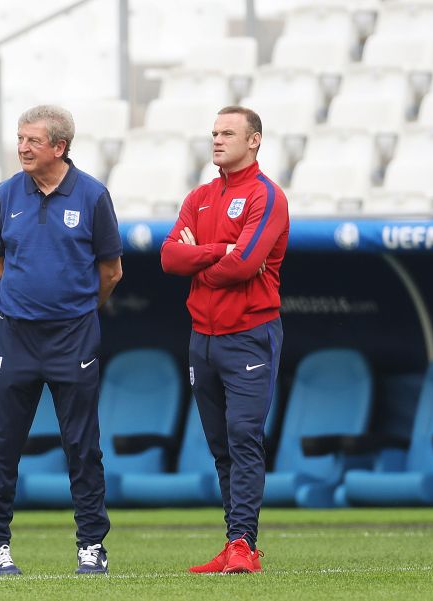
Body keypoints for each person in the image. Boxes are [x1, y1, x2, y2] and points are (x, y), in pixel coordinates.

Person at [0, 105, 123, 576]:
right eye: (19, 139)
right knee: (2, 446)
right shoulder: (6, 194)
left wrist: (73, 310)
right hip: (12, 334)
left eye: (32, 141)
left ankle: (91, 546)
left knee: (82, 446)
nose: (22, 148)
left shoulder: (94, 196)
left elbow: (110, 272)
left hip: (72, 338)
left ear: (59, 147)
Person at [160, 106, 289, 574]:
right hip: (203, 339)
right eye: (214, 132)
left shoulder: (266, 196)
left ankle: (243, 544)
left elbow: (246, 265)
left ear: (254, 140)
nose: (217, 139)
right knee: (220, 446)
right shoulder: (199, 197)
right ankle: (236, 541)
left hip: (249, 335)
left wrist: (202, 258)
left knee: (243, 438)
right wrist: (217, 250)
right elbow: (170, 257)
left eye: (228, 132)